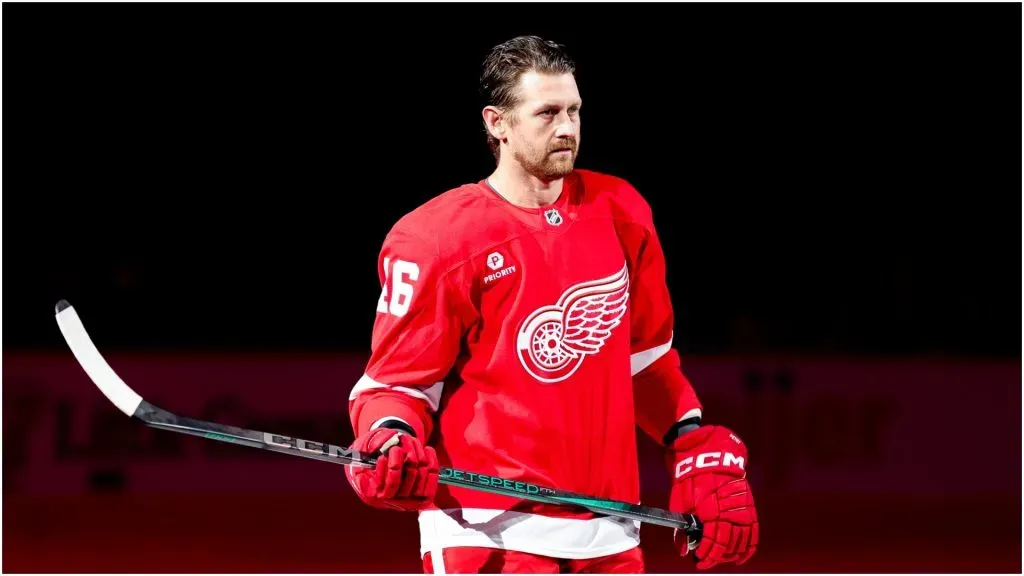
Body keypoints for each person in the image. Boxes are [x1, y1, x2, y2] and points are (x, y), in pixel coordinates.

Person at [345, 35, 759, 574]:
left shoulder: (621, 212)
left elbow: (646, 361)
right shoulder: (436, 238)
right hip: (486, 534)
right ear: (497, 123)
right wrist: (390, 438)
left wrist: (690, 438)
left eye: (574, 110)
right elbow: (396, 385)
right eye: (547, 113)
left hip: (611, 534)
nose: (567, 128)